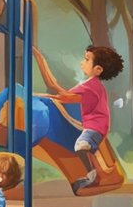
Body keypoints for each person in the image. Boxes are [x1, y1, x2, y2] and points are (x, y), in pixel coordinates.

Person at [41, 45, 124, 192]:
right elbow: (65, 97)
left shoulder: (92, 86)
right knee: (82, 147)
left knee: (81, 146)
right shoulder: (89, 85)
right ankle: (95, 174)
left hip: (96, 126)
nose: (82, 62)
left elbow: (62, 94)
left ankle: (96, 175)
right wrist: (47, 96)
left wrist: (40, 60)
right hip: (93, 126)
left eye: (86, 59)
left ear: (98, 69)